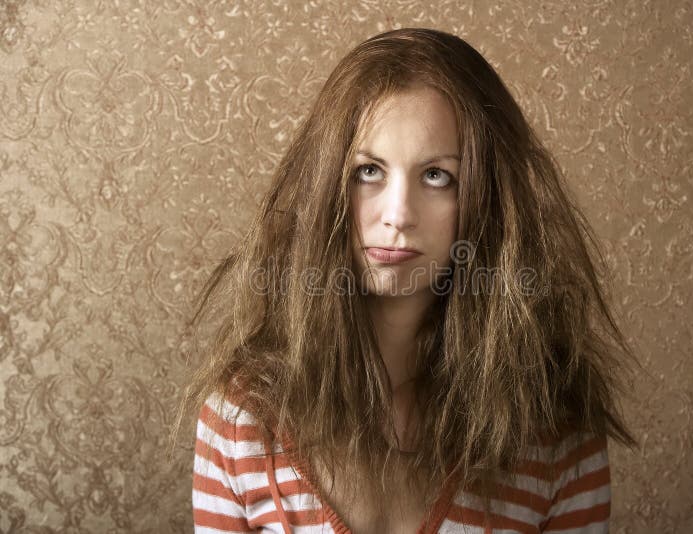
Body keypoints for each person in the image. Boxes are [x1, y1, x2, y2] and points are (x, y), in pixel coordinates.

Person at [177, 27, 640, 533]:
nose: (398, 215)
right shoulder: (242, 422)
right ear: (328, 186)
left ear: (488, 203)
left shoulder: (557, 434)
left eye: (437, 175)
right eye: (369, 171)